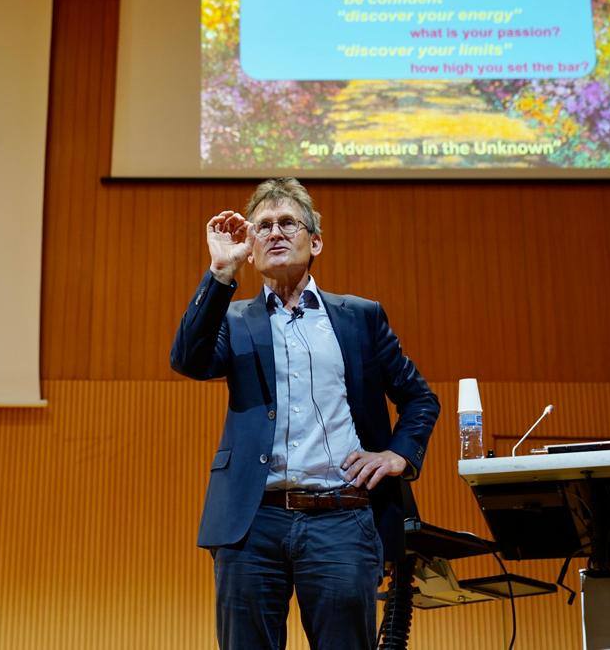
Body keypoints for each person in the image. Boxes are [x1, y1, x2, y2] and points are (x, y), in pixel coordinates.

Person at [170, 177, 439, 649]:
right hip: (252, 523)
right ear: (250, 248)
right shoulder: (233, 320)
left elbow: (419, 398)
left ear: (314, 241)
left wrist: (398, 454)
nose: (274, 232)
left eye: (288, 223)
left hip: (342, 517)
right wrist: (219, 272)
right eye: (263, 226)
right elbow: (189, 361)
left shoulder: (359, 316)